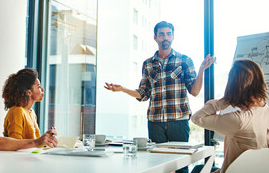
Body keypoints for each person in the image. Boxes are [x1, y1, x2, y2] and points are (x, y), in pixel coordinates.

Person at [105, 21, 215, 173]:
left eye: (169, 34)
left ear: (173, 37)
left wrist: (202, 69)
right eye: (162, 34)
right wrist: (122, 89)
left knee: (181, 167)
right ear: (155, 37)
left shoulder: (185, 60)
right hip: (155, 122)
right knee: (157, 167)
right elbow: (143, 94)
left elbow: (194, 91)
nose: (166, 38)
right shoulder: (148, 64)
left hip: (178, 122)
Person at [191, 59, 269, 173]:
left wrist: (226, 100)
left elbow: (197, 118)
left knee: (197, 169)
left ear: (234, 87)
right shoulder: (266, 112)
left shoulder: (240, 120)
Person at [2, 68, 45, 139]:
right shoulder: (17, 111)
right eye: (39, 87)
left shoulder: (31, 112)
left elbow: (36, 142)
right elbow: (15, 143)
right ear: (28, 92)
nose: (42, 89)